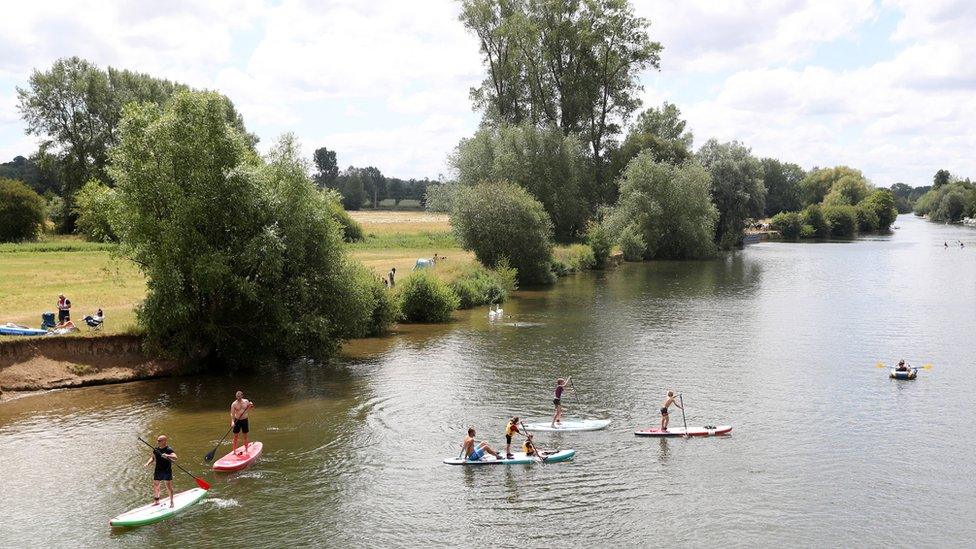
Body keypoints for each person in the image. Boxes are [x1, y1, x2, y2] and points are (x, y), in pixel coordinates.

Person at [143, 435, 177, 508]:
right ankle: (156, 501)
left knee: (168, 487)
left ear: (164, 441)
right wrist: (148, 463)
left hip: (166, 470)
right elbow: (153, 458)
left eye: (159, 441)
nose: (157, 442)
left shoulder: (168, 449)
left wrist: (167, 455)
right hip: (158, 470)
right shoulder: (156, 449)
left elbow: (175, 457)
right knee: (156, 485)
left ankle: (171, 502)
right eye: (157, 440)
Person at [230, 391, 255, 456]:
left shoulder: (246, 401)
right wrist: (232, 421)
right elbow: (232, 414)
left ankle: (246, 450)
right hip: (237, 420)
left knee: (245, 436)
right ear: (236, 397)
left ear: (242, 396)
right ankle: (234, 451)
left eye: (239, 396)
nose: (238, 398)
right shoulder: (234, 404)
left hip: (244, 420)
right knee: (235, 436)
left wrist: (251, 405)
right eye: (237, 397)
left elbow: (249, 409)